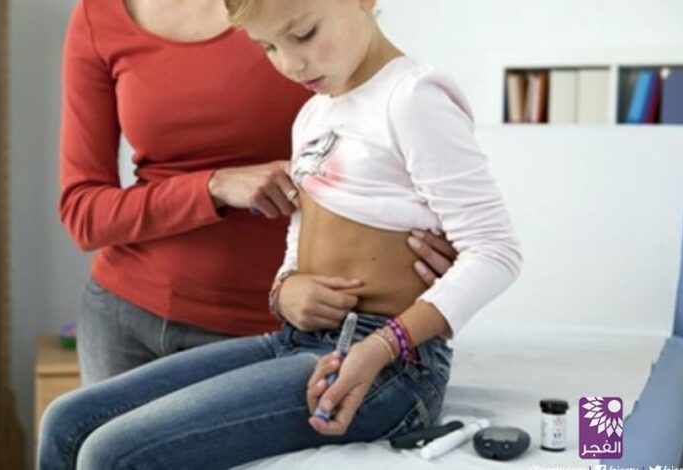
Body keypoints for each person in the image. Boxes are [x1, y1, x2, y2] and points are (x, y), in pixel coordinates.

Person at [39, 0, 522, 468]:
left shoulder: (414, 98)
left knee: (110, 454)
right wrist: (284, 288)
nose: (290, 65)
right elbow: (300, 225)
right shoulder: (314, 113)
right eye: (268, 47)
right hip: (295, 337)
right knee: (64, 422)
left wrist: (385, 343)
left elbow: (495, 249)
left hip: (387, 359)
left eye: (303, 35)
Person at [59, 0, 456, 385]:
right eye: (268, 48)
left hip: (277, 328)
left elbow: (391, 143)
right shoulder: (99, 15)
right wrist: (214, 186)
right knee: (75, 429)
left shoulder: (305, 15)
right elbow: (83, 213)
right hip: (124, 321)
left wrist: (443, 249)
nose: (287, 61)